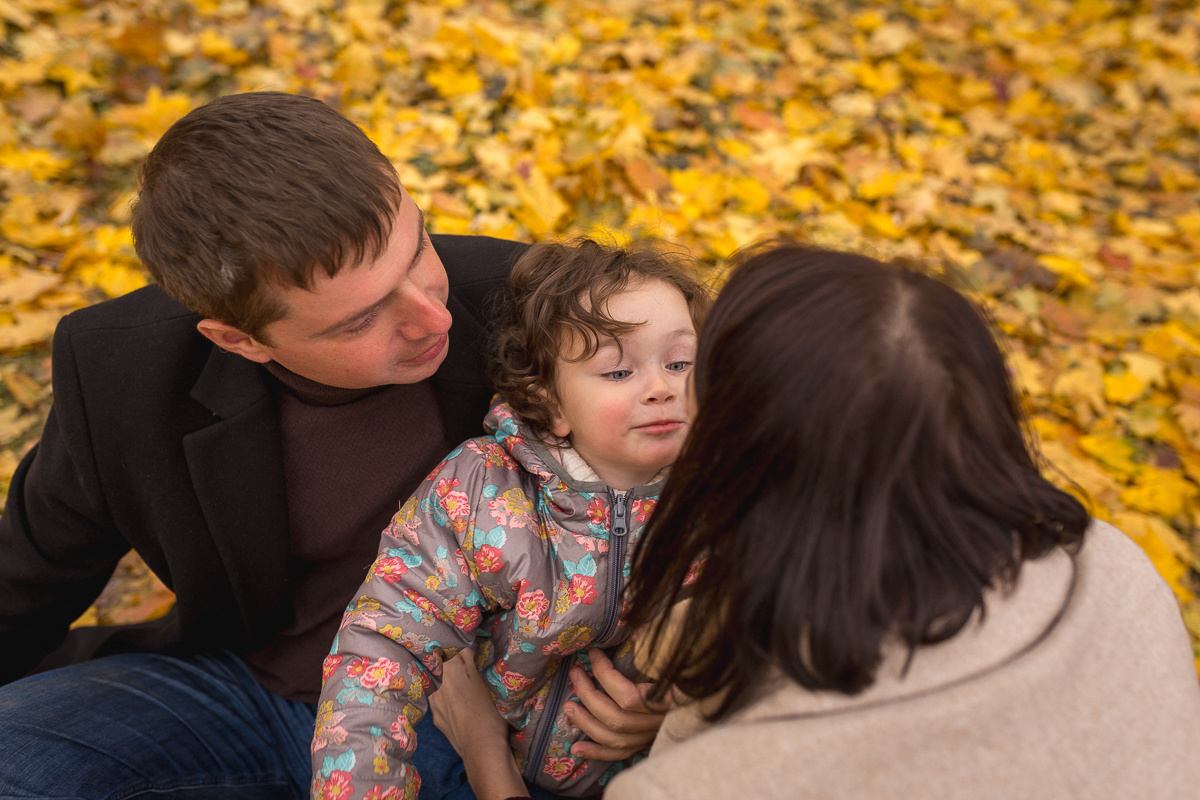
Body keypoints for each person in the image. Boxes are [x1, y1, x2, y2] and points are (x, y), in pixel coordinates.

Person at [0, 92, 650, 799]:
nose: (430, 315)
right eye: (361, 319)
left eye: (418, 249)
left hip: (474, 716)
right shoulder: (123, 372)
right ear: (240, 340)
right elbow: (27, 578)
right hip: (247, 689)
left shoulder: (528, 305)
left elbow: (719, 497)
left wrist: (669, 687)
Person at [435, 241, 1200, 800]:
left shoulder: (719, 782)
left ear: (742, 467)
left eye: (689, 374)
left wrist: (483, 756)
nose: (666, 397)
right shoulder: (1113, 561)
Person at [312, 239, 711, 800]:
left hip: (669, 769)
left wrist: (685, 711)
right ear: (550, 403)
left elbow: (787, 633)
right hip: (474, 755)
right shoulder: (484, 490)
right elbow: (383, 646)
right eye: (619, 372)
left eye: (679, 362)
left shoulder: (734, 493)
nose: (660, 387)